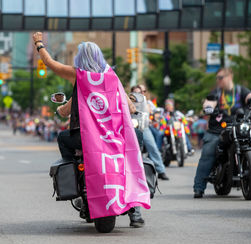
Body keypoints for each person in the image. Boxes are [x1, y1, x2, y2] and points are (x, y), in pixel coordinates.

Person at [33, 32, 147, 228]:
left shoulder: (78, 74)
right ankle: (135, 211)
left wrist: (39, 44)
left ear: (79, 58)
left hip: (85, 140)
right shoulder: (111, 76)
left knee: (62, 138)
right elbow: (129, 106)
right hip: (113, 139)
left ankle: (76, 184)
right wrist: (134, 108)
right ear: (99, 57)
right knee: (134, 149)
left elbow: (51, 64)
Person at [193, 68, 251, 198]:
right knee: (208, 152)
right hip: (218, 130)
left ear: (229, 76)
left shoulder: (240, 91)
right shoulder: (217, 92)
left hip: (239, 127)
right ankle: (199, 187)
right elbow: (209, 102)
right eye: (217, 78)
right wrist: (208, 107)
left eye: (220, 77)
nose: (218, 80)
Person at [131, 85, 170, 181]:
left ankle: (161, 170)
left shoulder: (147, 103)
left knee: (153, 146)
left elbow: (153, 112)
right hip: (132, 127)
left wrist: (153, 116)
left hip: (145, 127)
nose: (139, 94)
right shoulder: (128, 100)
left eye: (141, 92)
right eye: (136, 92)